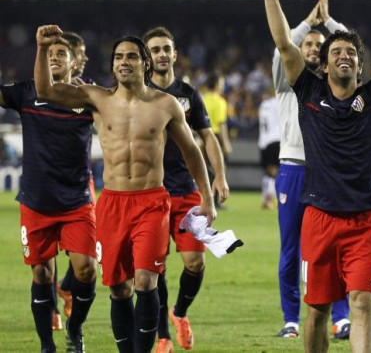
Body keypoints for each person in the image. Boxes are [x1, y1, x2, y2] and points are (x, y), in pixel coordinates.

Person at [259, 0, 371, 352]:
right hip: (318, 217)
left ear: (360, 62)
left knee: (361, 304)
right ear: (325, 61)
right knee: (316, 310)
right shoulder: (307, 89)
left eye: (351, 52)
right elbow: (286, 45)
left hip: (363, 220)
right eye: (336, 51)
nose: (344, 57)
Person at [34, 25, 217, 353]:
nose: (123, 62)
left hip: (151, 203)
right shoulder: (97, 99)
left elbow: (192, 150)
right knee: (119, 289)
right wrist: (40, 48)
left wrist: (207, 197)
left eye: (131, 56)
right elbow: (45, 90)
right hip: (113, 203)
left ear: (145, 63)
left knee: (145, 282)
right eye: (118, 57)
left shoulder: (167, 105)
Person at [1, 35, 97, 353]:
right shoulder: (26, 92)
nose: (55, 57)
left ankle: (75, 328)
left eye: (61, 53)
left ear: (74, 62)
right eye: (50, 52)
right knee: (42, 272)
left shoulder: (87, 96)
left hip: (77, 199)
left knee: (86, 269)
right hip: (37, 200)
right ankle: (46, 345)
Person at [142, 26, 230, 353]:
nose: (162, 54)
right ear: (147, 58)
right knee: (154, 268)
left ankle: (179, 313)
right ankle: (163, 335)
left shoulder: (189, 94)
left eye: (167, 48)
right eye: (156, 49)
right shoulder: (139, 93)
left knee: (195, 262)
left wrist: (219, 176)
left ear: (175, 55)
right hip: (149, 193)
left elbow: (208, 136)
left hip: (186, 189)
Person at [270, 0, 352, 340]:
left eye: (320, 44)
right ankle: (291, 319)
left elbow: (351, 48)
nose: (313, 48)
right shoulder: (287, 82)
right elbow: (281, 45)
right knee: (291, 249)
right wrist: (307, 23)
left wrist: (329, 22)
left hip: (327, 172)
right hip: (292, 169)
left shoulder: (335, 86)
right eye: (307, 43)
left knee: (336, 247)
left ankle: (342, 317)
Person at [56, 30, 96, 326]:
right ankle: (54, 305)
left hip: (80, 181)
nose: (84, 57)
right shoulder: (39, 91)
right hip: (46, 182)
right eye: (80, 52)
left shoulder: (88, 92)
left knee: (84, 251)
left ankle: (68, 289)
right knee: (45, 255)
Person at [200, 72, 232, 206]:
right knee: (219, 169)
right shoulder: (220, 101)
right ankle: (217, 200)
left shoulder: (202, 98)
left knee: (206, 168)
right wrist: (226, 143)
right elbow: (221, 123)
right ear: (217, 84)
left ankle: (208, 197)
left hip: (201, 137)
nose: (223, 86)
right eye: (221, 83)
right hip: (215, 137)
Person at [258, 89, 280, 210]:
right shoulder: (278, 102)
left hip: (264, 141)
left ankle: (267, 198)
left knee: (268, 172)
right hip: (277, 139)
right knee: (275, 172)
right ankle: (270, 199)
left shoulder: (263, 104)